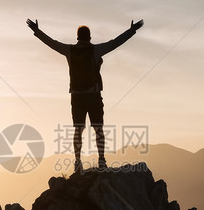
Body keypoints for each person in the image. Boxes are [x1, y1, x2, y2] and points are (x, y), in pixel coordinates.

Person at [26, 18, 144, 173]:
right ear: (89, 37)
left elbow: (51, 43)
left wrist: (36, 30)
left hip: (76, 96)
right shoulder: (96, 50)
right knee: (98, 129)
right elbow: (115, 42)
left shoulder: (69, 51)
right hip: (93, 95)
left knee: (78, 130)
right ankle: (101, 160)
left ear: (77, 37)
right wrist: (132, 30)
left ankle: (77, 161)